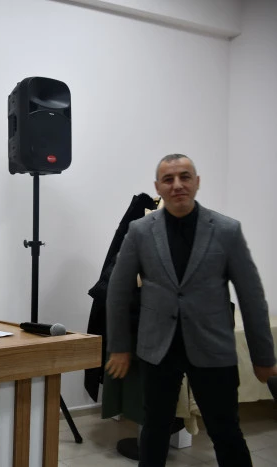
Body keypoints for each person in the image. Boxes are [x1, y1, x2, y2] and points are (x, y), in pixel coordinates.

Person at [105, 154, 277, 467]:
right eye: (168, 179)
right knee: (155, 429)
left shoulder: (226, 230)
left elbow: (252, 296)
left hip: (213, 348)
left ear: (197, 182)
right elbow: (117, 292)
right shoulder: (140, 231)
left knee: (226, 431)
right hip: (158, 349)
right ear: (158, 186)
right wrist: (119, 347)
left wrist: (263, 356)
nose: (177, 185)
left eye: (184, 177)